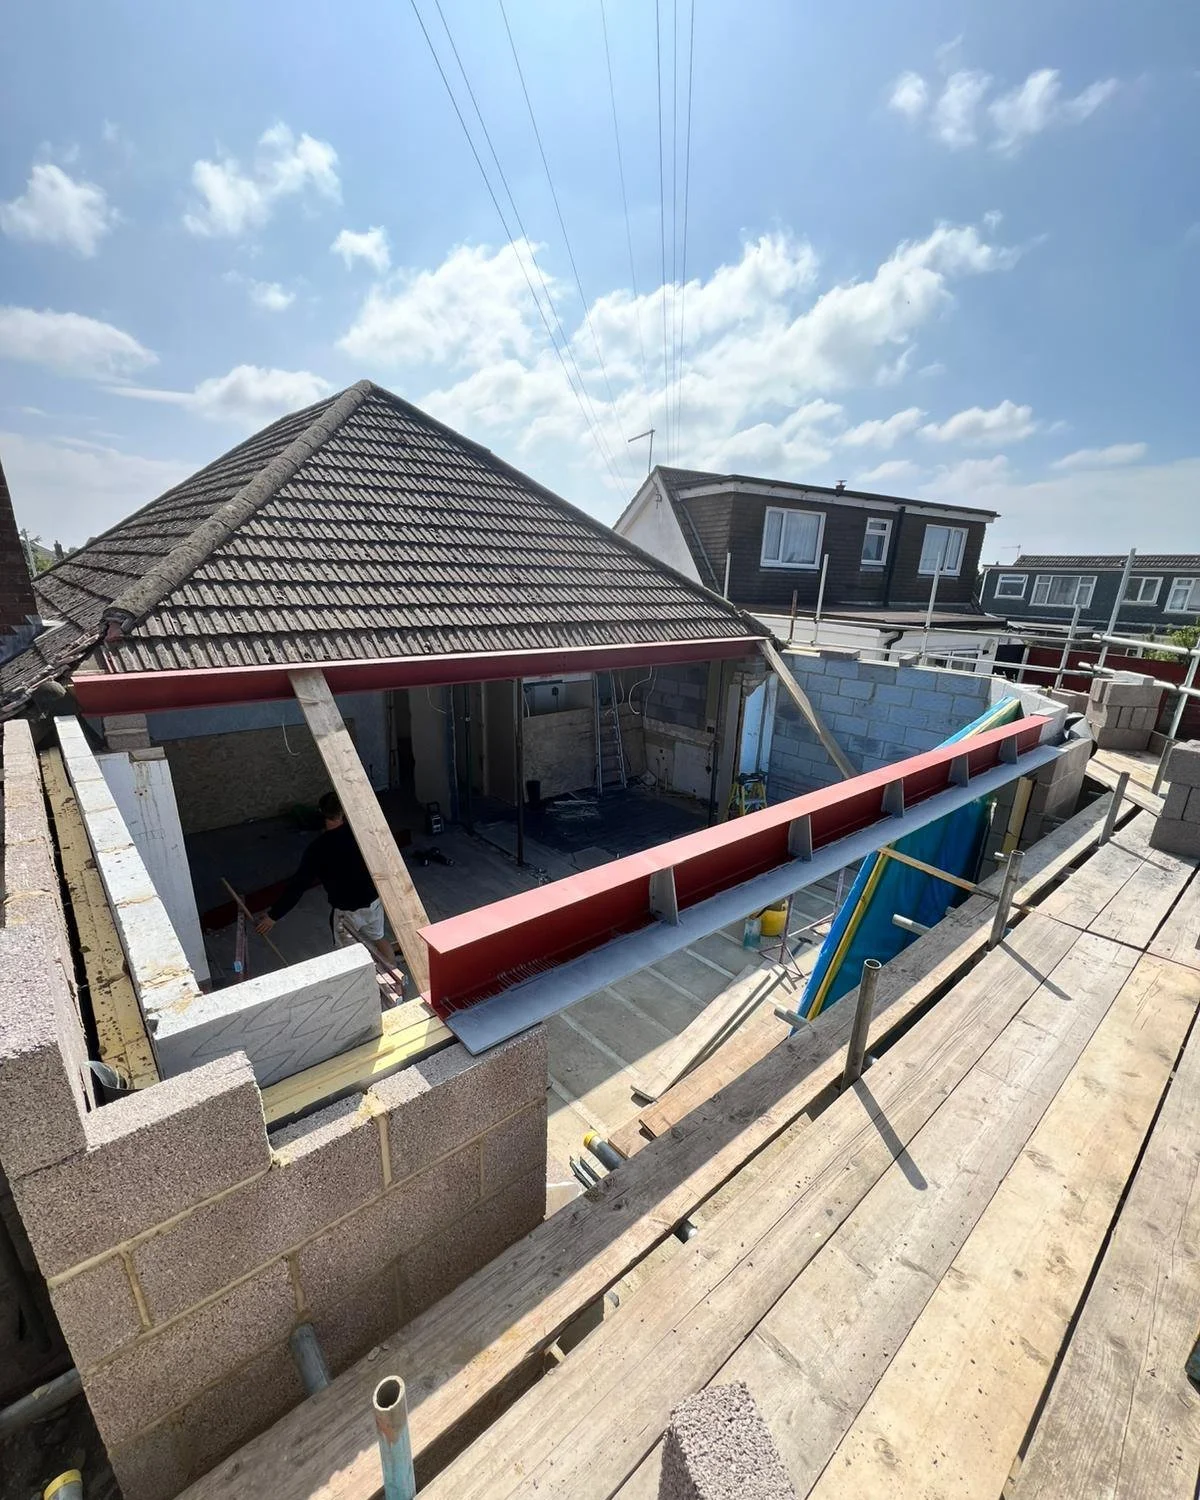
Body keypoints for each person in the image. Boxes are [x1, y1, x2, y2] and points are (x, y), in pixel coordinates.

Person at [256, 792, 394, 965]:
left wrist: (273, 915)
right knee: (379, 939)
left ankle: (368, 984)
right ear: (343, 811)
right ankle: (396, 982)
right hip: (372, 903)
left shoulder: (318, 849)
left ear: (321, 812)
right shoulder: (362, 835)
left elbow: (298, 885)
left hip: (346, 912)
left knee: (351, 958)